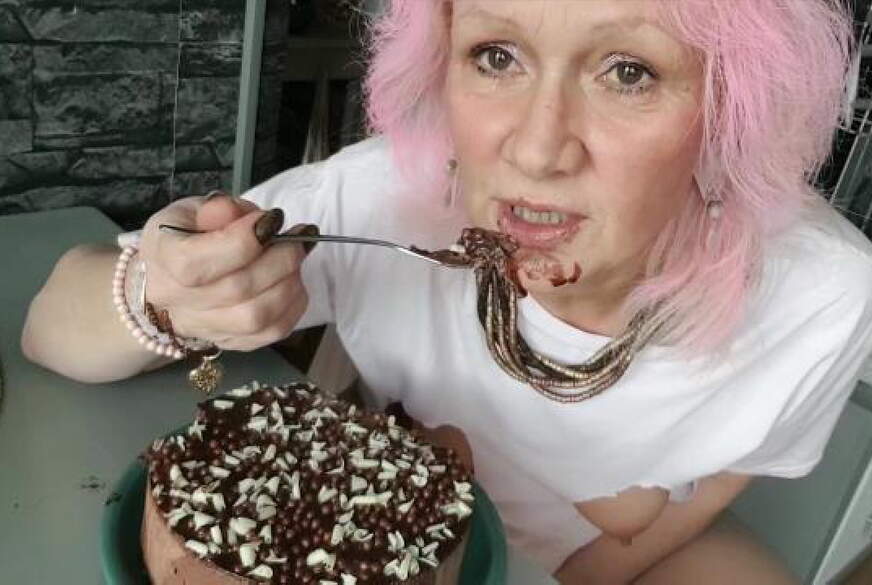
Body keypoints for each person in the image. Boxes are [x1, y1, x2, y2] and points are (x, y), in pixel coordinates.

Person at [21, 1, 872, 583]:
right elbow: (50, 328)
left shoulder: (824, 294)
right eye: (496, 56)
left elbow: (717, 484)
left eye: (629, 71)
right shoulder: (388, 199)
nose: (536, 149)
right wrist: (168, 294)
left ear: (730, 106)